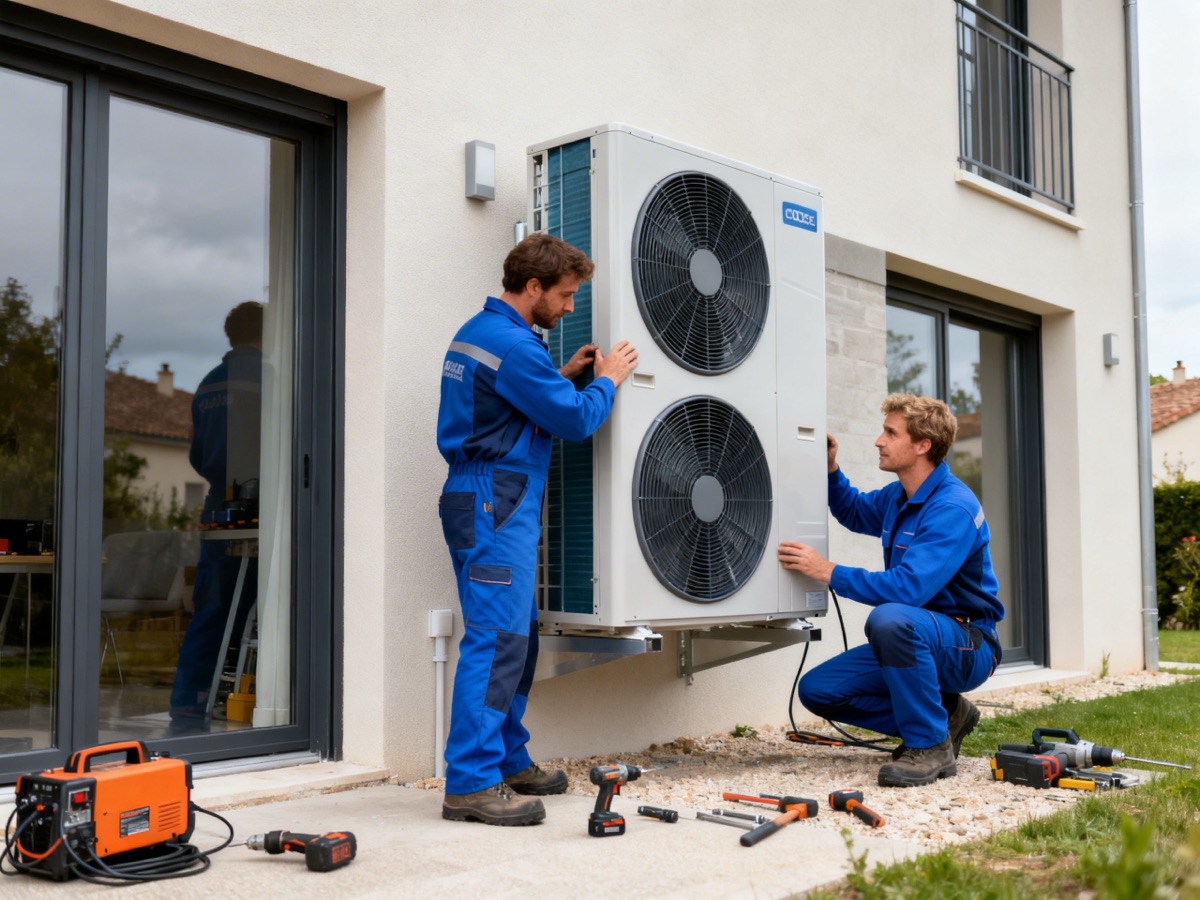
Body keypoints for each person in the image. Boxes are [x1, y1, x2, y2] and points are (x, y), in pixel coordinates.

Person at [436, 234, 638, 825]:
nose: (571, 307)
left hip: (490, 497)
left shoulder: (484, 332)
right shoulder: (516, 347)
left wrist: (561, 374)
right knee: (497, 640)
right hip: (495, 502)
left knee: (517, 637)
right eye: (566, 295)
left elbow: (512, 403)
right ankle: (470, 784)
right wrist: (608, 379)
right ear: (533, 288)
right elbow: (575, 421)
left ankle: (506, 758)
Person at [777, 394, 1004, 788]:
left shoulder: (951, 507)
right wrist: (831, 469)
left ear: (922, 446)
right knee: (819, 690)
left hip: (966, 643)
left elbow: (908, 588)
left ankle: (929, 745)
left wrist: (826, 570)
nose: (878, 441)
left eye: (890, 433)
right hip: (916, 636)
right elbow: (854, 510)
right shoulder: (900, 496)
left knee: (890, 617)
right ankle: (947, 715)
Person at [169, 301, 263, 735]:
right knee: (271, 611)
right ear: (266, 333)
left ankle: (188, 703)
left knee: (212, 609)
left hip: (218, 509)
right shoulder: (269, 377)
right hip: (262, 506)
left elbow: (196, 455)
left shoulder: (208, 383)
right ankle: (274, 702)